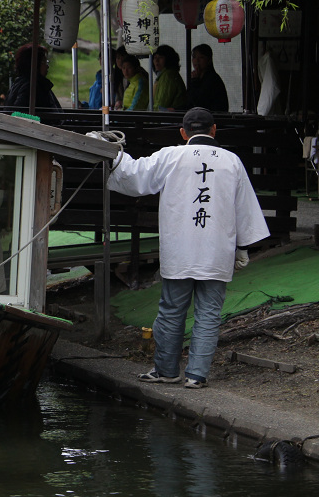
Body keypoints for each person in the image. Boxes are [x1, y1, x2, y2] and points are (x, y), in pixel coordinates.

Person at [109, 107, 269, 388]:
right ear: (214, 130)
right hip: (217, 251)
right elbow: (245, 209)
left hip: (179, 249)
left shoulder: (170, 156)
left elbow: (134, 175)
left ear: (183, 133)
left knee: (172, 310)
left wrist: (110, 149)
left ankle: (166, 370)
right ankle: (197, 375)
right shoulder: (232, 161)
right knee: (209, 313)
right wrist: (242, 248)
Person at [4, 43, 60, 110]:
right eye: (44, 62)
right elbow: (19, 114)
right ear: (34, 64)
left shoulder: (26, 83)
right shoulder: (31, 87)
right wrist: (39, 119)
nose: (47, 66)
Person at [183, 44, 229, 112]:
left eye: (201, 57)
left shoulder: (212, 79)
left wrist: (194, 81)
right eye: (194, 57)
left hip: (212, 119)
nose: (197, 60)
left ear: (209, 60)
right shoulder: (199, 77)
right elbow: (188, 101)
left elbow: (199, 102)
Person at [151, 44, 186, 111]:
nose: (156, 61)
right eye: (155, 57)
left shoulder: (168, 76)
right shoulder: (164, 75)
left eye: (160, 57)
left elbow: (162, 104)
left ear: (168, 59)